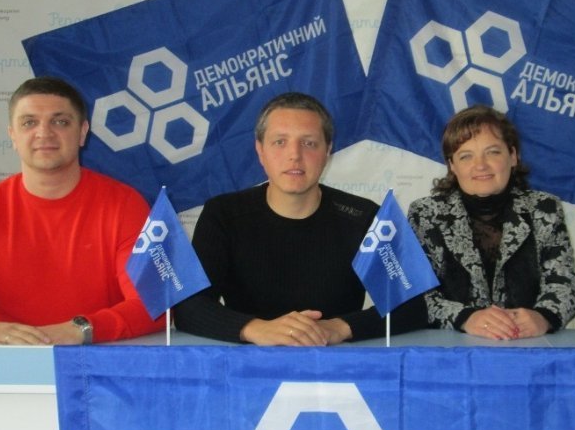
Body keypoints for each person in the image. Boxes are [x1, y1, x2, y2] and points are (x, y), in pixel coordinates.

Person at [0, 77, 164, 345]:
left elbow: (155, 305)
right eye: (29, 122)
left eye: (60, 122)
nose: (44, 133)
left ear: (82, 132)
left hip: (101, 360)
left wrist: (79, 330)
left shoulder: (125, 205)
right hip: (12, 362)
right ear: (13, 135)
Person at [173, 92, 425, 345]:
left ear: (328, 151)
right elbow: (188, 307)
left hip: (337, 360)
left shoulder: (366, 217)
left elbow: (414, 304)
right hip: (247, 361)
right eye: (280, 142)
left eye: (309, 143)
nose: (294, 155)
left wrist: (339, 327)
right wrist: (256, 329)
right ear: (260, 150)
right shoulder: (223, 214)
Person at [408, 105, 575, 339]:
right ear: (452, 166)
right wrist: (465, 317)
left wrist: (543, 316)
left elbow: (565, 284)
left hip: (526, 344)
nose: (480, 165)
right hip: (451, 348)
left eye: (492, 152)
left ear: (513, 156)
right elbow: (414, 295)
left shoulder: (544, 209)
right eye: (466, 156)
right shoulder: (425, 214)